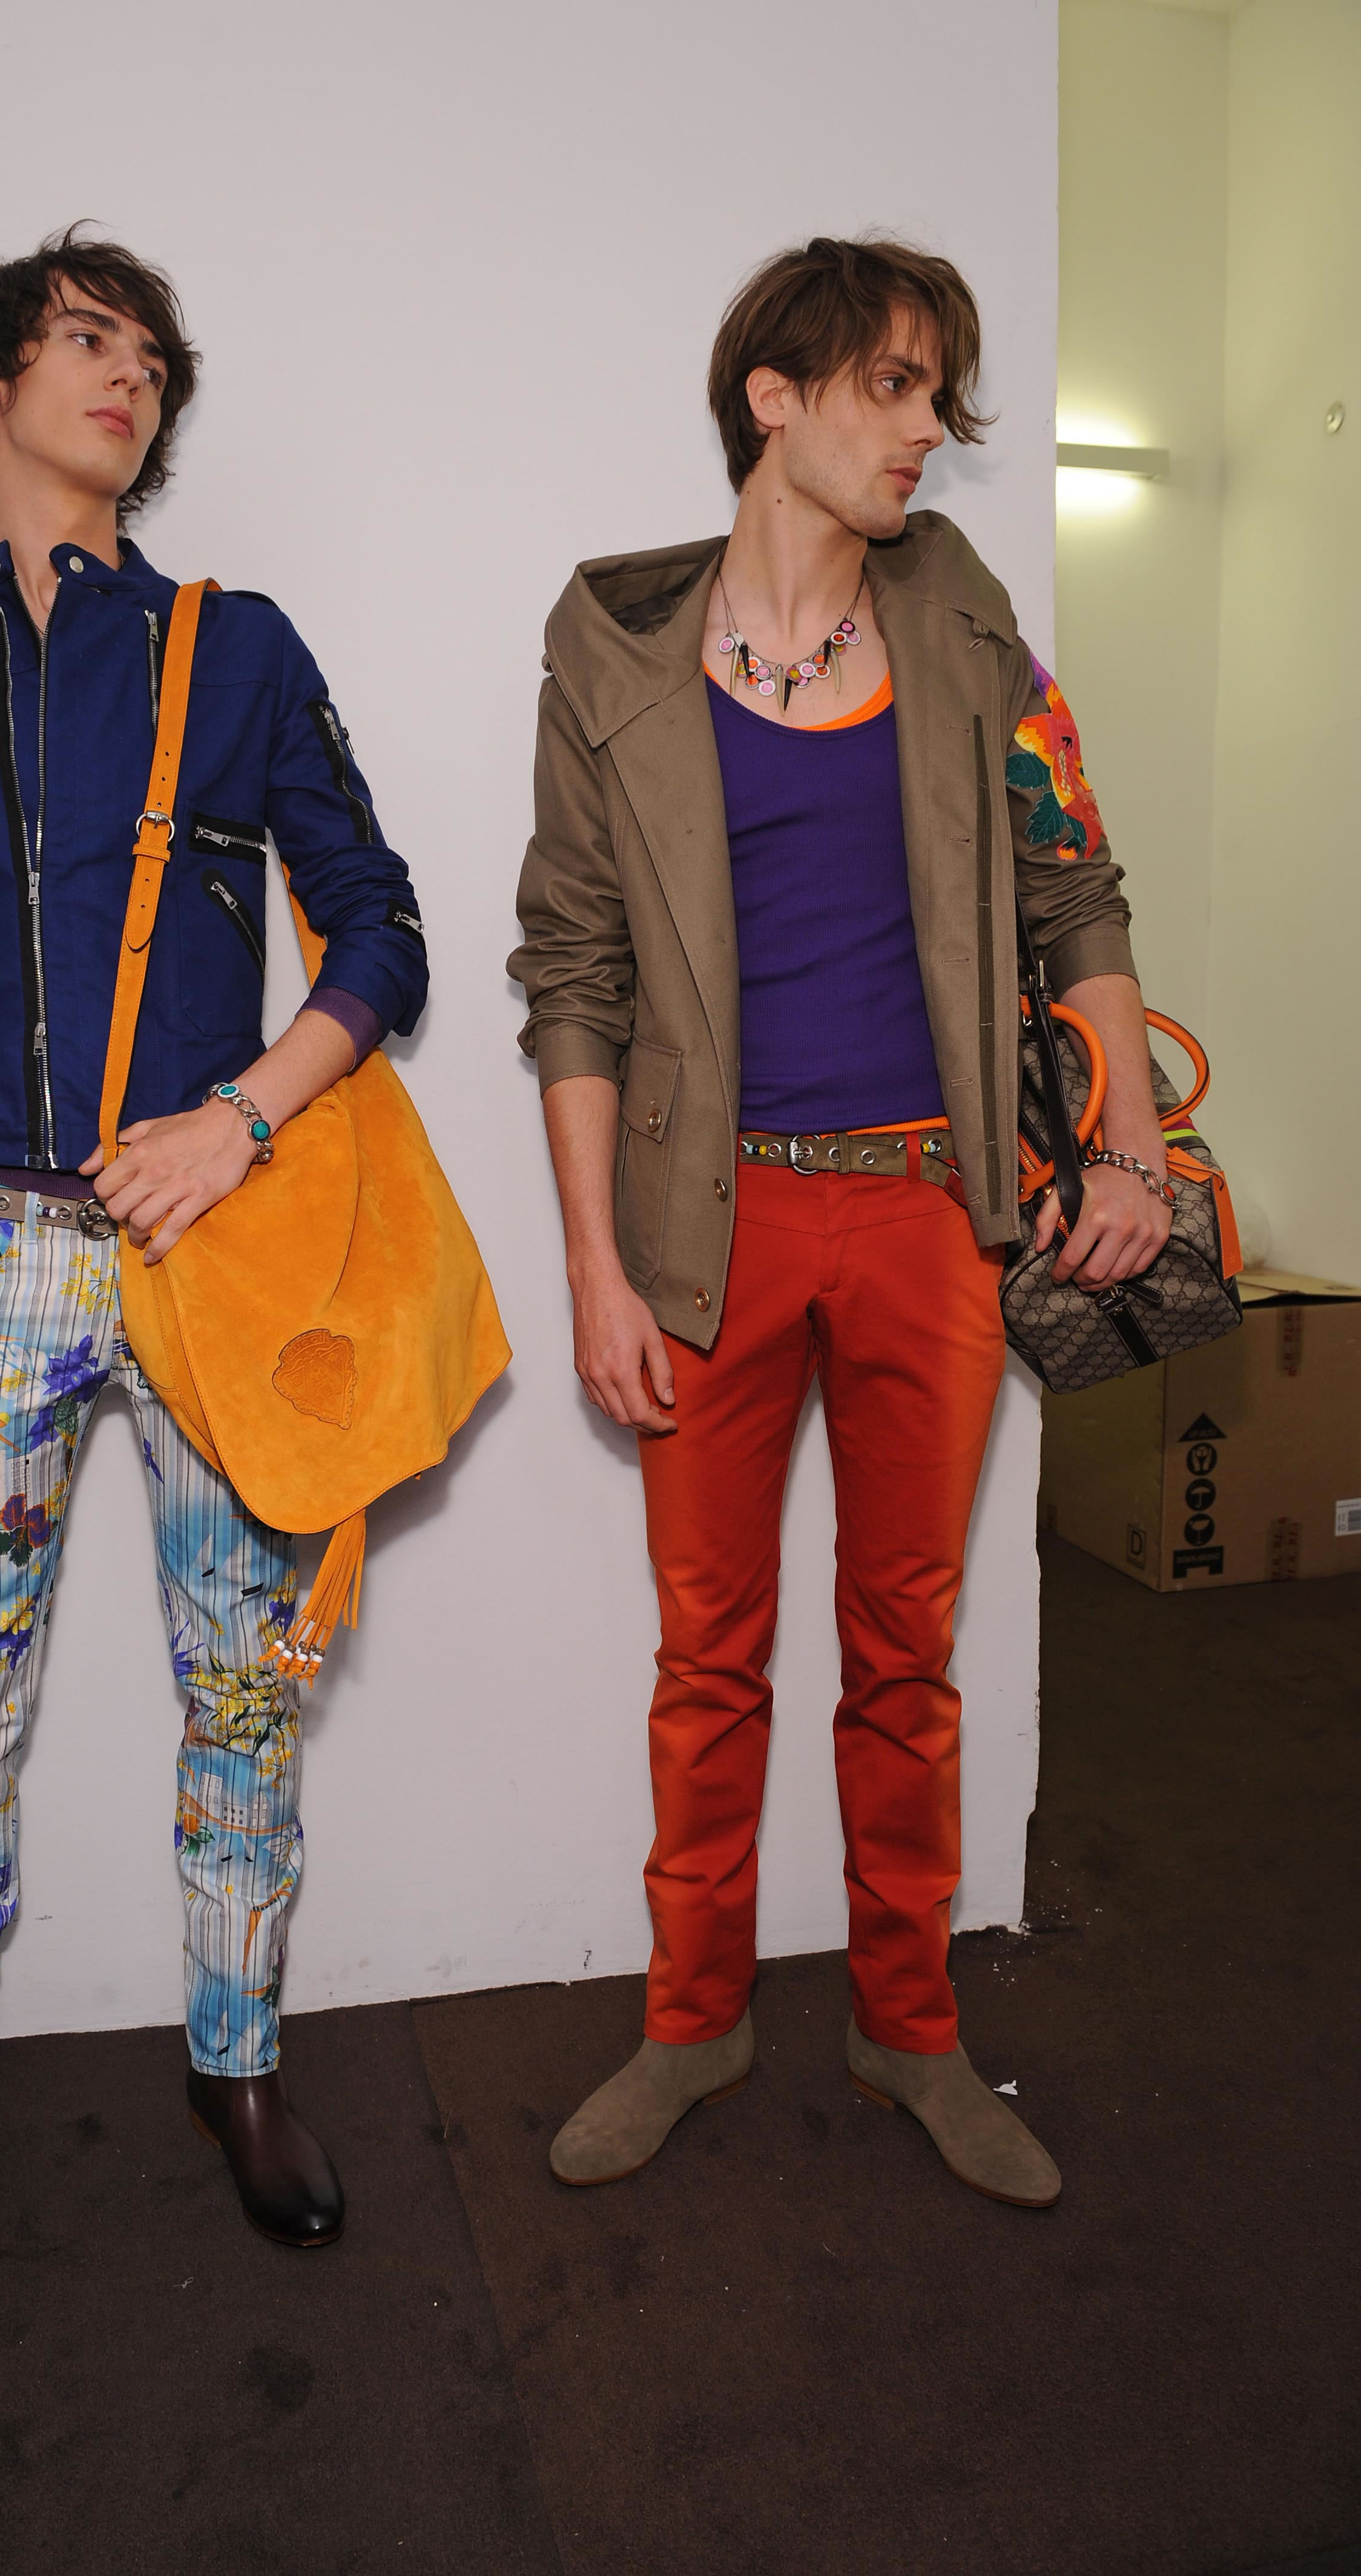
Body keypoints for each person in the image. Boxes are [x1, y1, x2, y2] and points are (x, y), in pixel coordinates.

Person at [510, 237, 1172, 2208]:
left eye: (940, 394)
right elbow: (573, 977)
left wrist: (1131, 1149)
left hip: (928, 1217)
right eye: (891, 384)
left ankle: (911, 2028)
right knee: (708, 1657)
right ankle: (692, 2021)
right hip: (706, 1234)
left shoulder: (965, 624)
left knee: (908, 1651)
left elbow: (1076, 887)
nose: (927, 429)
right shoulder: (613, 653)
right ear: (773, 398)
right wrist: (595, 1266)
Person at [0, 228, 428, 2306]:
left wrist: (240, 1116)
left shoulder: (236, 654)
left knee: (247, 1690)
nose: (128, 376)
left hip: (211, 1259)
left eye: (152, 357)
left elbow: (382, 929)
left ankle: (240, 2068)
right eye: (87, 339)